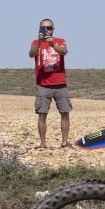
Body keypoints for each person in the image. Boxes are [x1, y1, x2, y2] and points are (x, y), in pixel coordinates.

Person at [28, 18, 72, 148]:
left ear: (53, 29)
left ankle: (65, 142)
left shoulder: (60, 41)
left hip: (60, 84)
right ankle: (43, 143)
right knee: (42, 115)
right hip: (43, 84)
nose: (47, 30)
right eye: (44, 28)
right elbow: (31, 54)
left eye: (49, 28)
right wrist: (40, 43)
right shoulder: (36, 42)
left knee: (65, 113)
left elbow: (64, 51)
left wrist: (52, 44)